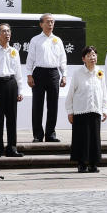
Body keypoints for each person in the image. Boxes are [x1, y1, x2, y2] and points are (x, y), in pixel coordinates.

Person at [25, 13, 67, 142]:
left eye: (52, 22)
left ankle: (50, 134)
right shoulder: (35, 40)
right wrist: (29, 75)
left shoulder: (58, 40)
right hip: (39, 73)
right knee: (37, 105)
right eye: (48, 22)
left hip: (54, 73)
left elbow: (62, 59)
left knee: (53, 105)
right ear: (41, 24)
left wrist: (64, 75)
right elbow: (30, 59)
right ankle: (38, 135)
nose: (50, 24)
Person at [0, 23, 24, 158]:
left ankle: (12, 148)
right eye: (4, 32)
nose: (7, 34)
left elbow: (18, 72)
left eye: (9, 31)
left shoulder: (14, 51)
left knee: (12, 118)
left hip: (12, 84)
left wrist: (20, 91)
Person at [65, 46, 107, 173]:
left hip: (95, 110)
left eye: (94, 55)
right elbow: (71, 93)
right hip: (80, 111)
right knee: (80, 138)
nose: (92, 58)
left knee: (95, 138)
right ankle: (81, 163)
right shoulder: (78, 73)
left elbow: (103, 92)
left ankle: (93, 164)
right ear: (83, 59)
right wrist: (70, 111)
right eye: (89, 55)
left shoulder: (100, 72)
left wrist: (104, 109)